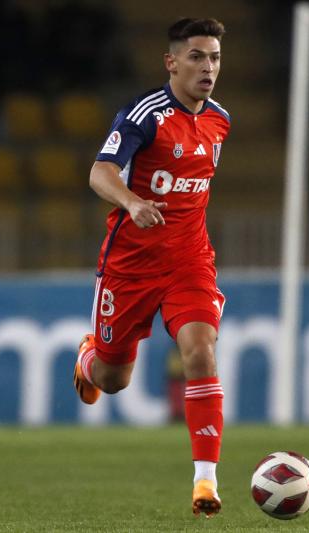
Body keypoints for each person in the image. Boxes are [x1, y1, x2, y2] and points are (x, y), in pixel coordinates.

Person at [73, 18, 230, 518]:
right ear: (172, 62)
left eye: (215, 57)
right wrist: (133, 201)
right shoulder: (144, 114)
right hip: (130, 266)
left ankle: (205, 483)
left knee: (201, 354)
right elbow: (100, 171)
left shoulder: (221, 121)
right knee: (112, 378)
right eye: (197, 57)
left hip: (190, 262)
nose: (208, 67)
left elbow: (193, 187)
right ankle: (87, 357)